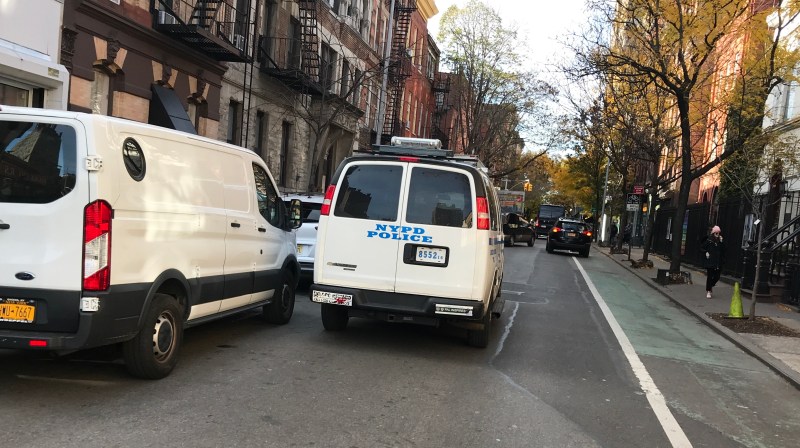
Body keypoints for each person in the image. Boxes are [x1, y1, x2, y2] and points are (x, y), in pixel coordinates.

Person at [700, 225, 725, 299]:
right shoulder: (709, 241)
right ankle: (708, 291)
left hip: (718, 262)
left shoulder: (720, 241)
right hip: (710, 261)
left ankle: (711, 286)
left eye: (718, 233)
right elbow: (702, 247)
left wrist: (721, 242)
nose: (718, 235)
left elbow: (724, 250)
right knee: (710, 276)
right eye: (716, 233)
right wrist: (706, 252)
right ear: (713, 233)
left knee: (717, 276)